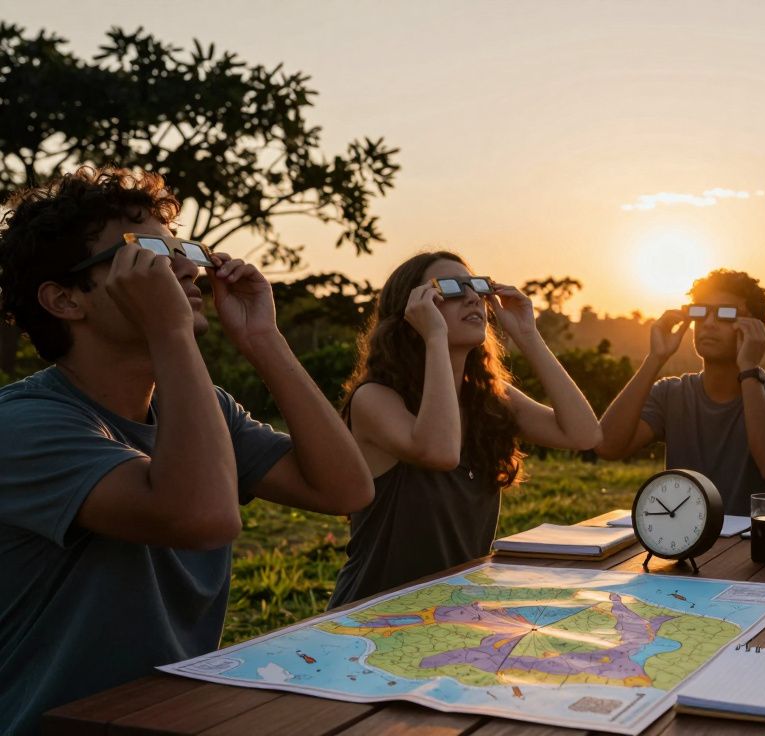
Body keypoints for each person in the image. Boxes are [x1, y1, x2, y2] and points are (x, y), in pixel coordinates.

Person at [0, 167, 373, 733]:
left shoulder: (200, 407)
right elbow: (201, 517)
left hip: (173, 717)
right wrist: (170, 333)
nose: (185, 266)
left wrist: (263, 339)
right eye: (146, 252)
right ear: (65, 299)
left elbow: (347, 489)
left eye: (181, 247)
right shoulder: (23, 425)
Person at [329, 251, 601, 606]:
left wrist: (528, 335)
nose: (474, 297)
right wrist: (435, 339)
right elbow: (440, 451)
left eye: (477, 286)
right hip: (373, 615)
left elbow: (584, 435)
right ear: (414, 311)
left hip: (453, 611)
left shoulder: (488, 397)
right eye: (453, 288)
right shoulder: (375, 399)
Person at [594, 269, 765, 515]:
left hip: (756, 545)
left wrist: (749, 369)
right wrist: (654, 359)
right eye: (700, 312)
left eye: (726, 314)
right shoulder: (671, 394)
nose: (709, 323)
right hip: (684, 540)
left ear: (756, 328)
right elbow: (608, 447)